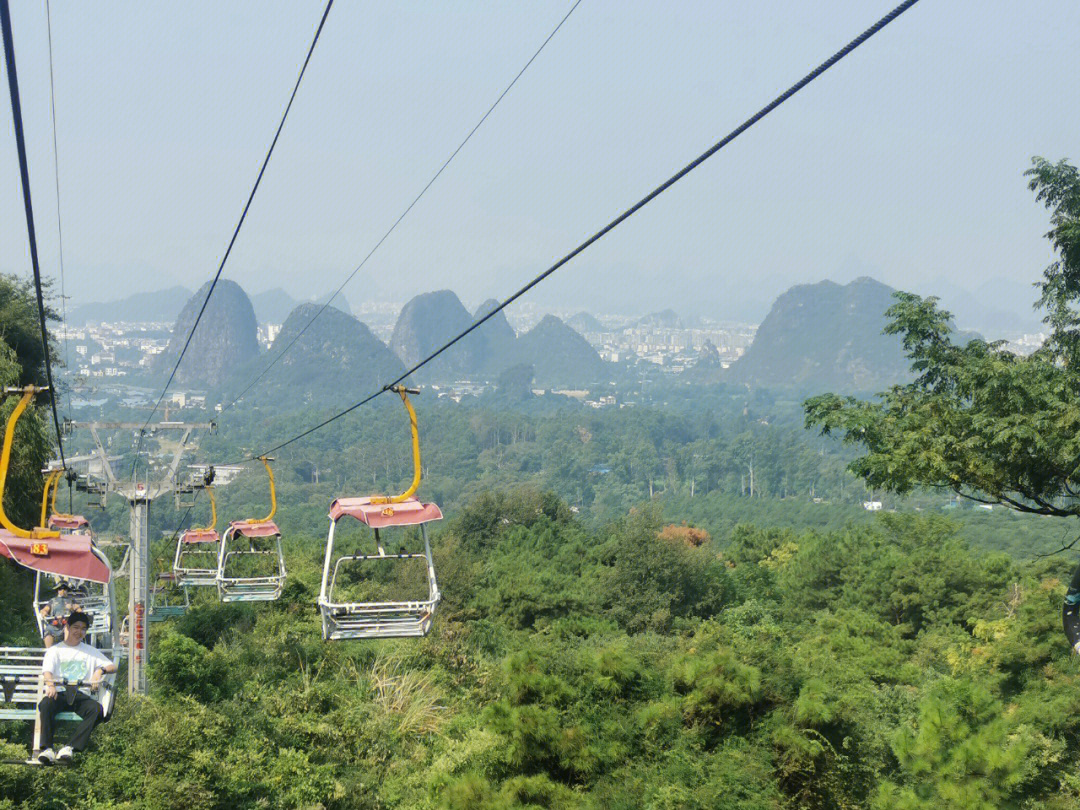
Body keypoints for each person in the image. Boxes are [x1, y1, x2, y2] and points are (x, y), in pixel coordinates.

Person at [36, 611, 115, 765]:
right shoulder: (55, 650)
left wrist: (100, 670)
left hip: (80, 695)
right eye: (76, 627)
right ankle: (47, 749)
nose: (80, 632)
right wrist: (50, 684)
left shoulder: (90, 651)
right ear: (68, 627)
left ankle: (69, 747)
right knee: (46, 704)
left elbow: (112, 666)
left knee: (97, 710)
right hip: (61, 693)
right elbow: (47, 671)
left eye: (84, 629)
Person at [39, 581, 81, 649]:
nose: (62, 590)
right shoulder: (53, 600)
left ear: (67, 590)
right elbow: (46, 609)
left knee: (68, 628)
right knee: (48, 630)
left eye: (65, 588)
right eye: (60, 589)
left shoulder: (71, 600)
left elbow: (79, 610)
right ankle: (48, 652)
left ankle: (68, 649)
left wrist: (72, 608)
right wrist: (44, 612)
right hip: (55, 624)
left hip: (67, 623)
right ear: (57, 590)